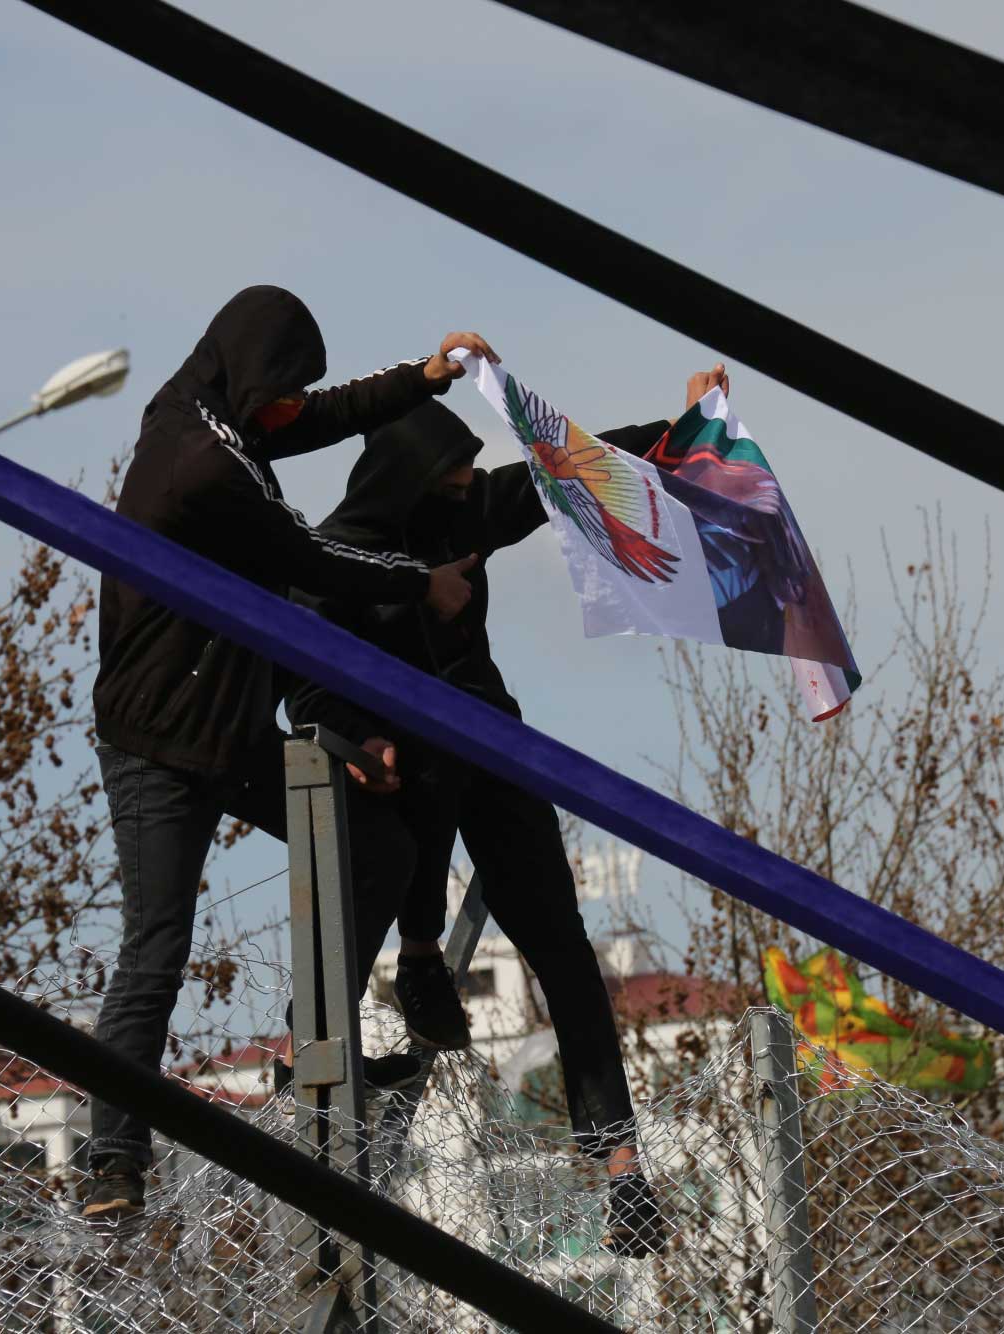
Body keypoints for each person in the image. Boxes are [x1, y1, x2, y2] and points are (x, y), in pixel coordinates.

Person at [286, 366, 730, 1256]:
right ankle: (401, 979)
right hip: (398, 779)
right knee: (411, 795)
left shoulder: (470, 511)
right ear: (407, 480)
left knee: (562, 942)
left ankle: (621, 1167)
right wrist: (364, 742)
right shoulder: (334, 559)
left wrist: (682, 432)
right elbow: (303, 688)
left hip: (492, 750)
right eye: (452, 481)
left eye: (469, 482)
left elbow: (570, 469)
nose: (467, 494)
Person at [82, 284, 492, 1220]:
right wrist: (421, 582)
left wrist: (423, 378)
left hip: (227, 732)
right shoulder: (200, 463)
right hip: (157, 744)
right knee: (156, 946)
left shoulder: (220, 414)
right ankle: (113, 1159)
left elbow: (322, 415)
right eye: (282, 394)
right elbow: (308, 557)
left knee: (379, 845)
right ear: (249, 378)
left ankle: (320, 1048)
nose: (289, 411)